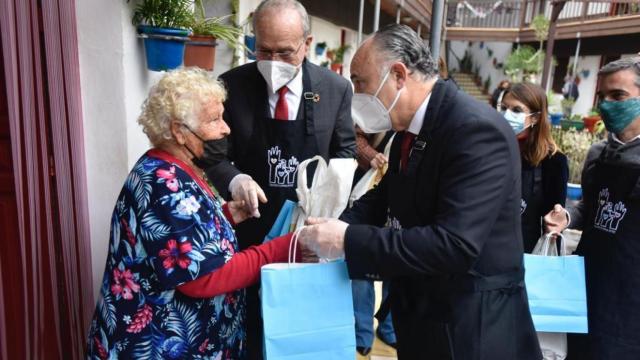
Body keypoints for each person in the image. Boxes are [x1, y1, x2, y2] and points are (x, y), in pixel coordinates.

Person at [298, 24, 541, 359]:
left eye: (361, 82)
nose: (356, 94)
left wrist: (347, 239)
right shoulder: (409, 130)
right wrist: (325, 232)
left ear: (398, 74)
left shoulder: (474, 130)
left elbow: (455, 244)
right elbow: (383, 199)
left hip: (470, 328)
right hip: (423, 317)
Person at [86, 68, 297, 359]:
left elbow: (181, 235)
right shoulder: (162, 181)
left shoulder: (174, 167)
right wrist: (280, 249)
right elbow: (203, 279)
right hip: (157, 347)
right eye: (214, 120)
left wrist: (226, 214)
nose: (226, 129)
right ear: (179, 131)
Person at [202, 0, 356, 357]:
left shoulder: (334, 89)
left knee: (301, 326)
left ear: (306, 43)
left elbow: (345, 152)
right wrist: (236, 180)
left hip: (308, 229)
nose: (273, 62)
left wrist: (328, 197)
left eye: (285, 52)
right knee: (253, 326)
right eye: (263, 50)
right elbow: (215, 156)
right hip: (251, 228)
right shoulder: (232, 86)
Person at [544, 57, 640, 359]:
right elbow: (592, 204)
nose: (607, 105)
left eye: (618, 96)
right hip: (585, 287)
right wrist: (567, 215)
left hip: (630, 303)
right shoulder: (599, 154)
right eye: (602, 97)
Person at [500, 82, 568, 252]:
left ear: (535, 117)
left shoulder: (553, 161)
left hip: (524, 256)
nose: (507, 115)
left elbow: (554, 222)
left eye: (516, 110)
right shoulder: (494, 149)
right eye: (503, 108)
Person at [352, 127, 396, 356]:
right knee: (362, 269)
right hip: (369, 189)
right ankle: (362, 333)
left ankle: (389, 328)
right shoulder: (380, 103)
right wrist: (371, 154)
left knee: (397, 271)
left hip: (402, 210)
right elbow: (355, 133)